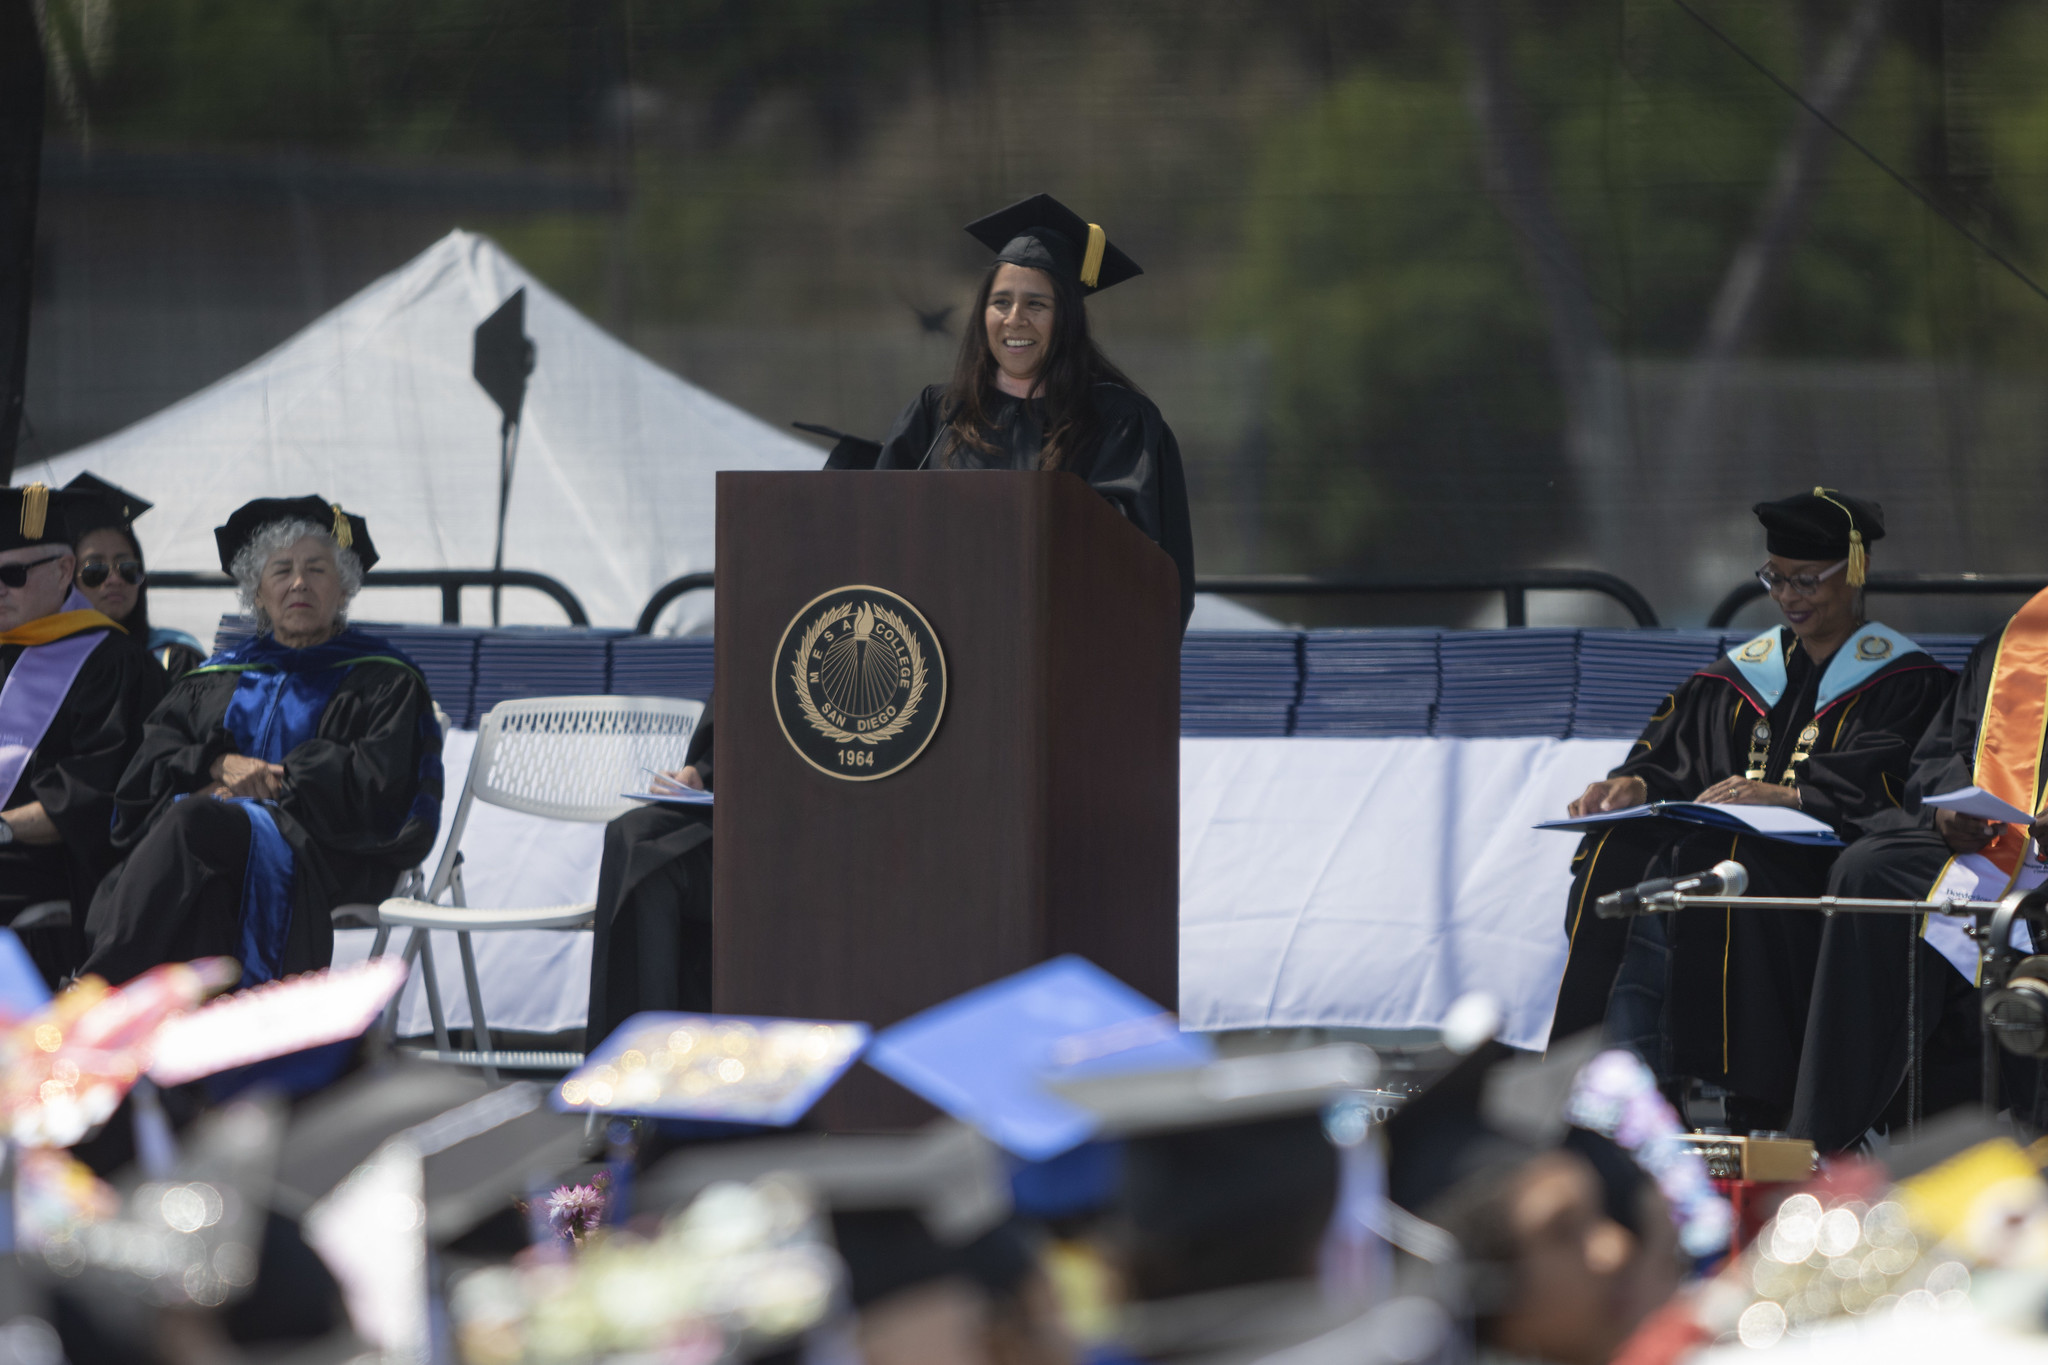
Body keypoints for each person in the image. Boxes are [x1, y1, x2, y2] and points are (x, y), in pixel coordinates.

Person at [1550, 489, 1952, 1130]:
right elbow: (1674, 759)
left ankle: (1746, 1104)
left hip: (1821, 877)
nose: (1789, 596)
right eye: (1775, 579)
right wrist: (1633, 783)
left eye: (1806, 580)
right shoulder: (1740, 676)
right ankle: (1605, 1102)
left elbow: (1899, 791)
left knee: (1726, 863)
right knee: (1616, 855)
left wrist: (1794, 797)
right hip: (1728, 857)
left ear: (1853, 571)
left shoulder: (1906, 682)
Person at [81, 496, 443, 985]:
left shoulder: (383, 679)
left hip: (330, 850)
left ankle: (97, 989)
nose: (298, 582)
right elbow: (152, 760)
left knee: (194, 825)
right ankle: (204, 1046)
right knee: (202, 877)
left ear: (343, 588)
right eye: (281, 570)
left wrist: (268, 789)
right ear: (258, 592)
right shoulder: (215, 677)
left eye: (317, 569)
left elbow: (379, 785)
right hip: (208, 846)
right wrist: (215, 766)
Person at [1791, 590, 2048, 1151]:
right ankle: (1824, 1140)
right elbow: (1939, 757)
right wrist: (1948, 811)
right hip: (2003, 850)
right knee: (1869, 871)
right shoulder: (2016, 649)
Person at [873, 193, 1196, 631]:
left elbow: (1132, 563)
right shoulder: (938, 414)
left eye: (1037, 304)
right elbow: (878, 536)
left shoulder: (1119, 422)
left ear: (1067, 318)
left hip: (1063, 658)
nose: (1015, 319)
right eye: (1001, 302)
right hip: (942, 656)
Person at [0, 483, 166, 976]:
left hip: (52, 872)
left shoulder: (114, 667)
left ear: (64, 571)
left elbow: (94, 800)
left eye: (12, 573)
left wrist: (4, 829)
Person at [586, 718, 714, 1047]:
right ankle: (626, 1061)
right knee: (636, 841)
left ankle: (649, 1058)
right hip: (726, 810)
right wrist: (702, 772)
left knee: (653, 855)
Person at [62, 472, 208, 680]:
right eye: (95, 570)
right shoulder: (44, 667)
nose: (114, 579)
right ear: (67, 578)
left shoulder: (173, 657)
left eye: (127, 568)